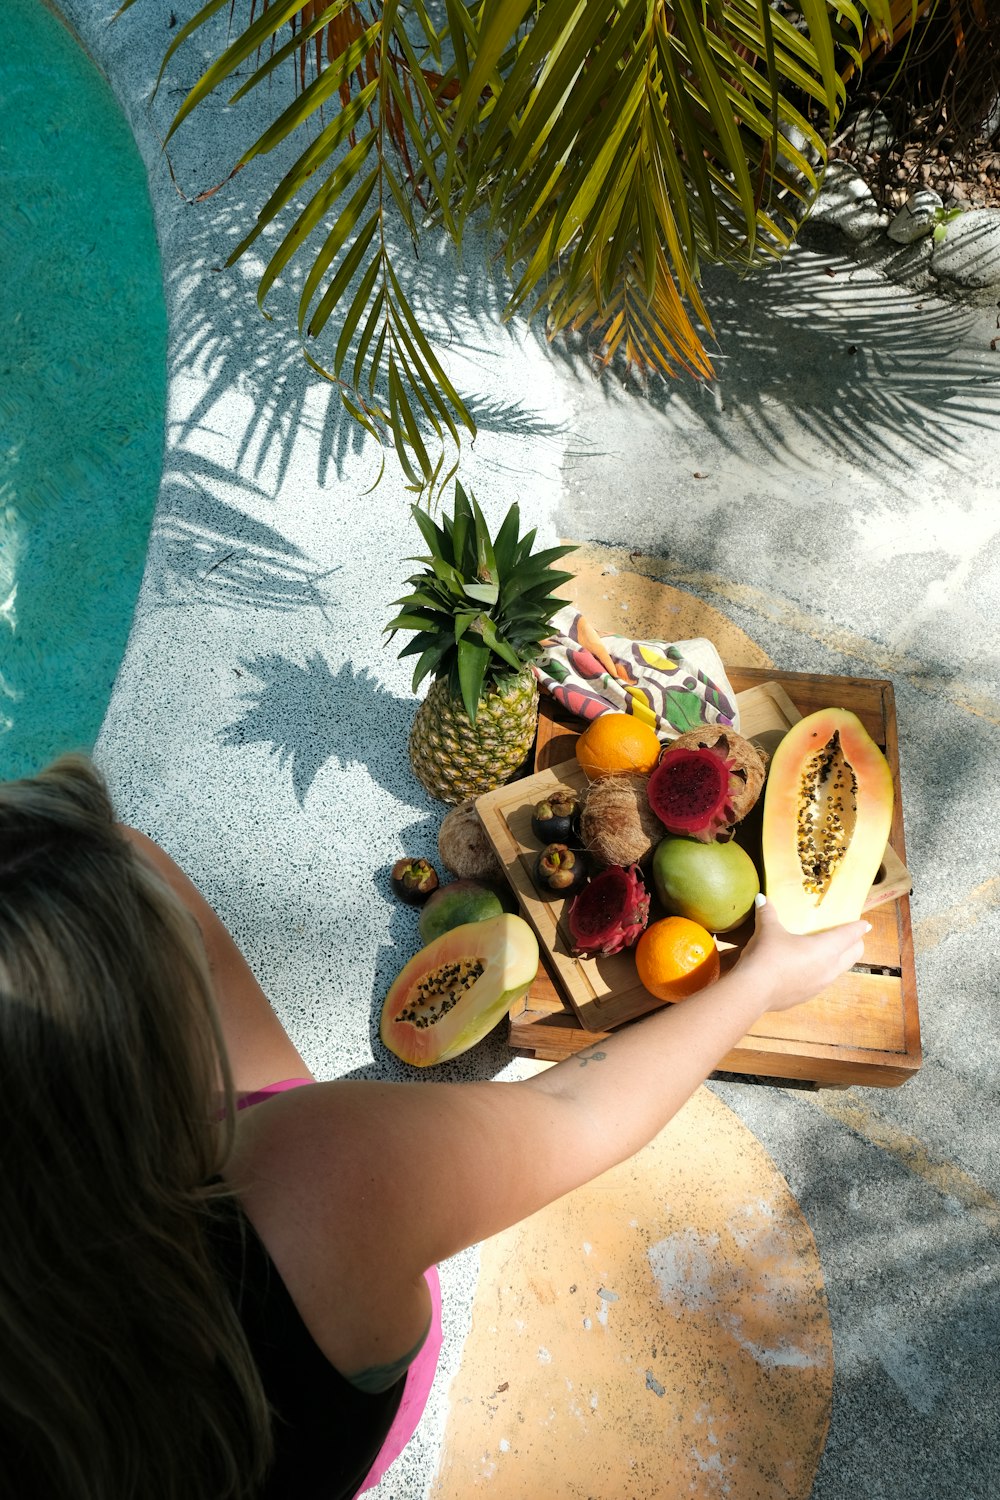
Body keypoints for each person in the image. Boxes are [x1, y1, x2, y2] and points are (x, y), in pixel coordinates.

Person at [0, 755, 870, 1499]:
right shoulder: (319, 1180)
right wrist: (758, 983)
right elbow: (577, 1112)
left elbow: (119, 863)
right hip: (329, 1345)